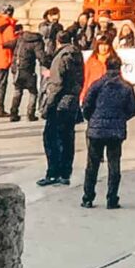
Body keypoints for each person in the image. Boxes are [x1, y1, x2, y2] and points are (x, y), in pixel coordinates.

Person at [79, 54, 135, 210]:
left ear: (106, 66)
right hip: (115, 131)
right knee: (114, 165)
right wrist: (121, 118)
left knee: (92, 165)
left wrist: (92, 118)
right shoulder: (126, 87)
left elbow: (86, 104)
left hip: (96, 129)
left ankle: (88, 197)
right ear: (120, 68)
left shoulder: (97, 84)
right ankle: (112, 199)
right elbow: (132, 109)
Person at [38, 27, 84, 187]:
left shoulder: (61, 58)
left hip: (60, 103)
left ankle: (53, 172)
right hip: (72, 101)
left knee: (50, 138)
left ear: (57, 41)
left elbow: (57, 84)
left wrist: (47, 106)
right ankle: (66, 172)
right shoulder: (77, 55)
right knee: (67, 138)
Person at [9, 15, 46, 122]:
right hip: (29, 70)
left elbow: (9, 44)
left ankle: (13, 113)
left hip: (17, 69)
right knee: (33, 92)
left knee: (17, 91)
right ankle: (30, 113)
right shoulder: (37, 42)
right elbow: (41, 57)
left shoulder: (20, 39)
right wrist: (48, 62)